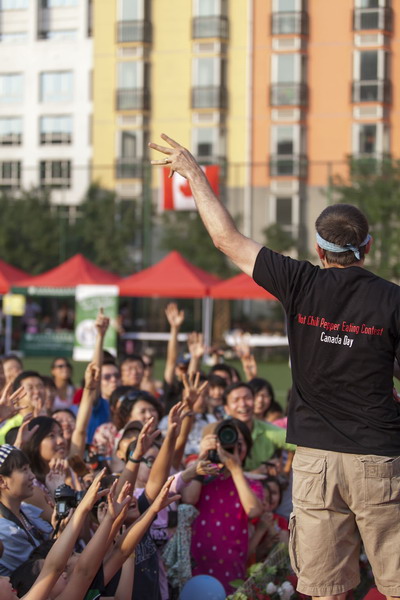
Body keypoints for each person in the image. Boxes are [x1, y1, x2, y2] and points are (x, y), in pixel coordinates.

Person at [149, 134, 400, 600]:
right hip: (379, 456)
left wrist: (195, 175)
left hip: (316, 462)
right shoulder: (392, 299)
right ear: (367, 247)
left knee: (324, 589)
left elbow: (226, 239)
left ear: (319, 250)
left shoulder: (299, 281)